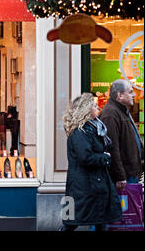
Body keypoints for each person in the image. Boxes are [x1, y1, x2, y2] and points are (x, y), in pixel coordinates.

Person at [60, 93, 122, 231]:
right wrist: (105, 157)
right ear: (86, 109)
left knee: (100, 221)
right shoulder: (80, 132)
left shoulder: (94, 128)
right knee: (71, 223)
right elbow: (85, 158)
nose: (98, 107)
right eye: (94, 105)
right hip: (85, 186)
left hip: (94, 185)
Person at [99, 79, 144, 190]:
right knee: (127, 206)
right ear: (120, 95)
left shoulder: (121, 111)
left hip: (131, 173)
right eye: (130, 92)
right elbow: (112, 148)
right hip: (125, 177)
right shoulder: (110, 114)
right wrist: (120, 175)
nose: (134, 95)